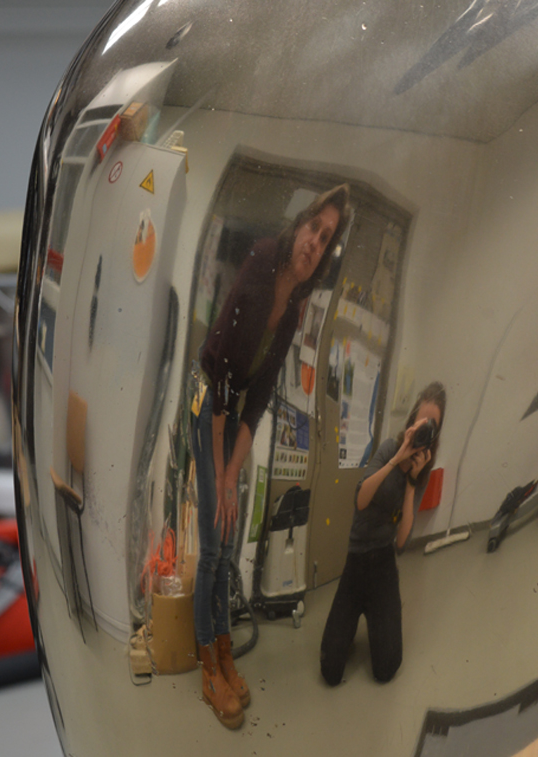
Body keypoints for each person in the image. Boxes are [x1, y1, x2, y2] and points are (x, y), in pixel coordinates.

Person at [191, 184, 351, 728]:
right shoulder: (262, 261)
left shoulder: (294, 311)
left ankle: (224, 652)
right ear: (299, 226)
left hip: (235, 406)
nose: (315, 242)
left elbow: (258, 396)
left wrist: (234, 473)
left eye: (325, 239)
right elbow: (222, 372)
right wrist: (221, 474)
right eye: (314, 228)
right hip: (207, 397)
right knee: (211, 544)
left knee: (228, 545)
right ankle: (208, 666)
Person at [320, 382, 447, 686]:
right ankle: (351, 622)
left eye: (432, 425)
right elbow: (361, 500)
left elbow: (401, 543)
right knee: (330, 671)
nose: (425, 429)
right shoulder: (390, 447)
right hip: (356, 559)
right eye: (422, 421)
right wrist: (397, 457)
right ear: (412, 421)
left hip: (384, 564)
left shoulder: (422, 473)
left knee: (387, 668)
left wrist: (412, 481)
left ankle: (372, 618)